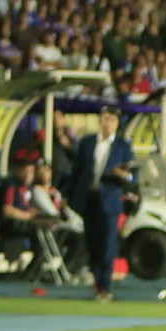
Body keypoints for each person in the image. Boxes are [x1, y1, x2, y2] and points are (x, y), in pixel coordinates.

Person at [63, 106, 135, 301]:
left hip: (110, 199)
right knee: (92, 243)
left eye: (111, 120)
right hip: (89, 198)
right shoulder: (87, 143)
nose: (107, 123)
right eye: (104, 119)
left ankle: (106, 286)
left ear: (117, 123)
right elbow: (77, 171)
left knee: (108, 243)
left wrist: (124, 175)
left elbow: (132, 172)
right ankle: (98, 281)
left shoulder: (123, 145)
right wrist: (67, 196)